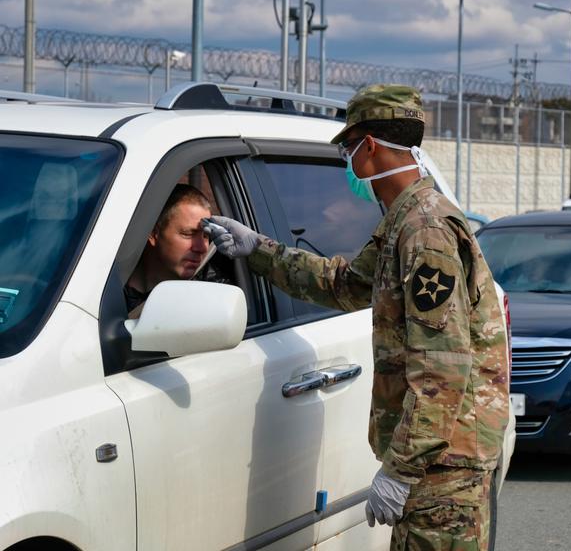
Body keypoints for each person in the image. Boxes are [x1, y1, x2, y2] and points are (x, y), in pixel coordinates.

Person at [203, 84, 510, 551]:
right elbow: (345, 285)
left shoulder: (423, 231)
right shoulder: (405, 221)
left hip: (444, 467)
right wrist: (257, 249)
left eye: (348, 148)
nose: (347, 161)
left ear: (368, 147)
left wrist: (402, 468)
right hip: (442, 459)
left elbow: (443, 369)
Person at [124, 184, 226, 316]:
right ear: (153, 233)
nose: (202, 247)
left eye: (206, 235)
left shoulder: (214, 290)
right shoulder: (104, 293)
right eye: (188, 234)